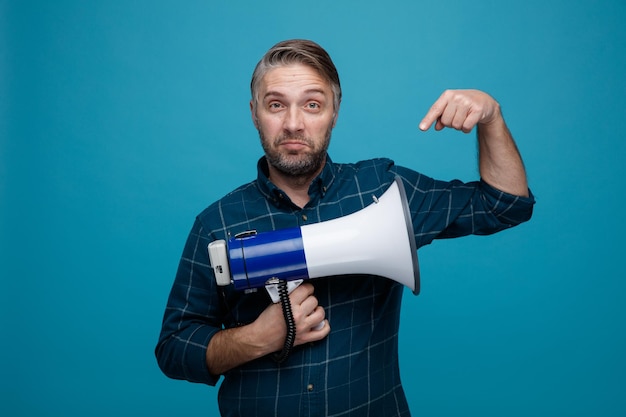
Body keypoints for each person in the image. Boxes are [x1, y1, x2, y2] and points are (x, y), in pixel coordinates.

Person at [155, 39, 534, 416]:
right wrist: (257, 338)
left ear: (335, 112)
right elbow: (174, 349)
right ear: (254, 113)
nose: (293, 123)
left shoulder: (382, 190)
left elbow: (505, 205)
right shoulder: (217, 224)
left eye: (312, 104)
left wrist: (492, 117)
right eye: (275, 105)